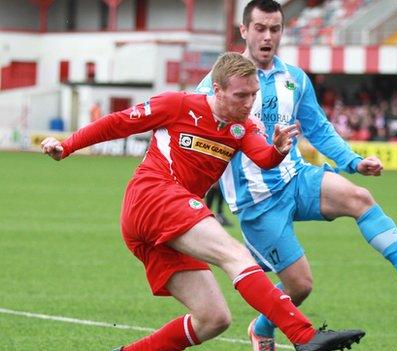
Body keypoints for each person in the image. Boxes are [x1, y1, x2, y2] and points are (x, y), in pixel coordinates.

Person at [41, 52, 364, 351]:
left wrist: (278, 149)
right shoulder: (178, 105)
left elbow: (263, 158)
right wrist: (67, 146)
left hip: (164, 222)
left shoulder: (242, 127)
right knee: (234, 253)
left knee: (213, 319)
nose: (249, 103)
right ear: (217, 89)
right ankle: (304, 336)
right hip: (152, 196)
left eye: (253, 95)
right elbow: (118, 123)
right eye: (241, 95)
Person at [196, 2, 397, 350]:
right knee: (300, 286)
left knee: (360, 198)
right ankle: (262, 328)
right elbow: (195, 132)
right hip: (257, 200)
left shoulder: (294, 79)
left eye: (274, 29)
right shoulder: (216, 84)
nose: (267, 37)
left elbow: (319, 129)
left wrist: (353, 162)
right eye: (260, 28)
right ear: (244, 31)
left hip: (296, 178)